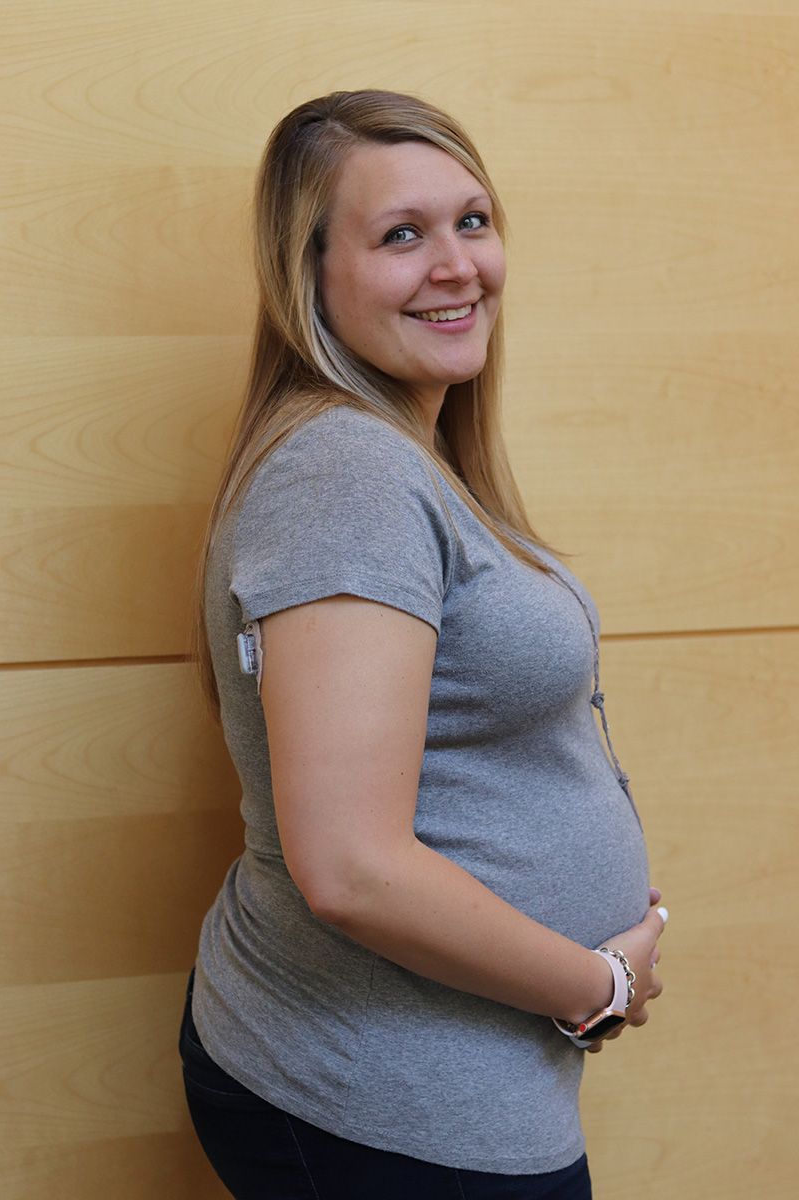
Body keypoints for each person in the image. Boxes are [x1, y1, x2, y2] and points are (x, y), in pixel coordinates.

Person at [179, 89, 667, 1200]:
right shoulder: (344, 473)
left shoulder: (411, 461)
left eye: (472, 221)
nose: (455, 265)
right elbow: (350, 868)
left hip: (448, 1085)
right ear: (309, 279)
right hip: (374, 1096)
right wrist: (590, 977)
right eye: (400, 235)